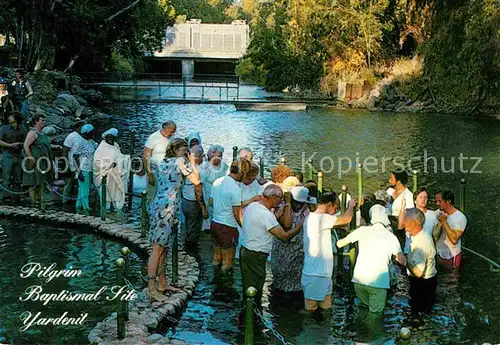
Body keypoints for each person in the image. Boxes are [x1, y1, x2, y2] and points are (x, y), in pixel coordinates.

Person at [147, 138, 201, 301]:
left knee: (163, 248)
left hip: (158, 205)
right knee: (157, 249)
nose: (186, 154)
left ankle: (162, 283)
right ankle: (151, 288)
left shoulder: (164, 161)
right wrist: (192, 162)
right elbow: (196, 180)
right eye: (185, 151)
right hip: (167, 209)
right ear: (177, 150)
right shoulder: (179, 161)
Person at [240, 184, 305, 307]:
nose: (280, 202)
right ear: (273, 197)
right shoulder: (266, 215)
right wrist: (301, 225)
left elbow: (264, 224)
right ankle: (252, 316)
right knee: (255, 289)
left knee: (248, 286)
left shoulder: (253, 206)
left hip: (246, 251)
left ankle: (249, 312)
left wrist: (278, 214)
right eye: (279, 199)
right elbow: (284, 236)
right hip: (256, 255)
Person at [337, 204, 406, 314]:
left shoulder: (362, 230)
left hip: (359, 280)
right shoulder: (391, 237)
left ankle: (359, 330)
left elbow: (340, 243)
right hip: (378, 283)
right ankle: (371, 330)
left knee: (363, 308)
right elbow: (401, 259)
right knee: (375, 314)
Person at [302, 192, 356, 311]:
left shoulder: (312, 217)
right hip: (315, 273)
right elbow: (347, 219)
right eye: (336, 208)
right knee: (311, 309)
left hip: (322, 273)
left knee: (325, 308)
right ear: (329, 205)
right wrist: (350, 206)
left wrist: (337, 226)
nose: (335, 210)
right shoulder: (322, 218)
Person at [210, 159, 251, 273]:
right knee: (227, 262)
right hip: (228, 226)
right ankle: (225, 286)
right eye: (245, 173)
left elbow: (210, 202)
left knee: (216, 258)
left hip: (214, 223)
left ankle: (214, 282)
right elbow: (236, 214)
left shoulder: (217, 182)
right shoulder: (235, 189)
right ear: (241, 173)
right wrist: (245, 228)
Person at [271, 186, 314, 294]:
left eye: (301, 203)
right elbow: (287, 224)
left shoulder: (307, 209)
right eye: (296, 202)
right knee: (281, 284)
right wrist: (288, 203)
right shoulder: (282, 207)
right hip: (282, 252)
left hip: (298, 253)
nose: (298, 205)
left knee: (296, 284)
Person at [403, 208, 437, 314]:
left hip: (423, 284)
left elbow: (418, 272)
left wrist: (404, 262)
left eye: (405, 219)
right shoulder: (419, 236)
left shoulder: (422, 241)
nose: (403, 222)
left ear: (414, 223)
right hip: (423, 283)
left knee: (419, 313)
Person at [22, 113, 61, 203]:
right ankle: (33, 203)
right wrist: (31, 159)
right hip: (35, 161)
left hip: (43, 162)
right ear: (36, 121)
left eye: (44, 120)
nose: (44, 122)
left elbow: (45, 144)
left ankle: (40, 201)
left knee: (42, 182)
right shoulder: (32, 133)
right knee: (33, 182)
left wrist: (55, 146)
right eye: (42, 120)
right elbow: (26, 146)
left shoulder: (42, 133)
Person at [236, 162, 270, 259]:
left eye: (253, 178)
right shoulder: (238, 185)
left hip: (253, 216)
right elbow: (237, 204)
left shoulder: (255, 182)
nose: (252, 181)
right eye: (250, 179)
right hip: (240, 215)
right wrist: (252, 200)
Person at [93, 128, 130, 213]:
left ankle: (117, 211)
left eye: (112, 137)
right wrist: (109, 164)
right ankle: (105, 213)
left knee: (116, 195)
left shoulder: (116, 146)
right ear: (105, 138)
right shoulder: (101, 148)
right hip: (106, 176)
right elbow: (96, 162)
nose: (110, 139)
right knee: (106, 198)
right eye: (108, 137)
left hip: (116, 176)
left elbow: (119, 157)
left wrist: (125, 158)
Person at [181, 145, 207, 247]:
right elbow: (198, 190)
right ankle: (190, 251)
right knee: (194, 228)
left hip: (185, 200)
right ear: (199, 156)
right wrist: (203, 208)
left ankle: (185, 245)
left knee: (188, 225)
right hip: (194, 203)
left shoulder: (185, 166)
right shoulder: (198, 170)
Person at [433, 190, 467, 270]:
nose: (437, 204)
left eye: (440, 201)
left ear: (448, 201)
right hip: (438, 254)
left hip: (452, 257)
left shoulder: (460, 217)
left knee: (452, 280)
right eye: (436, 201)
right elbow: (435, 235)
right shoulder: (437, 213)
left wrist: (444, 222)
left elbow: (454, 240)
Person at [143, 121, 176, 202]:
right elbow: (145, 156)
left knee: (165, 194)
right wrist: (149, 174)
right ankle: (148, 212)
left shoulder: (172, 137)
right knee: (152, 193)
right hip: (154, 169)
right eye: (171, 131)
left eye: (174, 131)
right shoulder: (153, 138)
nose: (173, 133)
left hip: (167, 171)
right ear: (165, 129)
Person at [398, 187, 438, 252]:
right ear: (415, 200)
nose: (423, 199)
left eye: (425, 197)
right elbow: (400, 226)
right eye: (421, 197)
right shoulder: (409, 213)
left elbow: (435, 235)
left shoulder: (432, 214)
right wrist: (403, 207)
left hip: (427, 250)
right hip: (411, 250)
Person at [200, 145, 228, 233]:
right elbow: (201, 182)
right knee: (209, 207)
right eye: (218, 155)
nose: (220, 157)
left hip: (220, 192)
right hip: (208, 191)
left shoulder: (224, 166)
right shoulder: (205, 167)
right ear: (211, 155)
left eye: (221, 155)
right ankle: (207, 227)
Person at [0, 111, 27, 200]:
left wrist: (19, 144)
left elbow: (26, 142)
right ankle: (6, 197)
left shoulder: (23, 129)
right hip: (7, 154)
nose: (9, 118)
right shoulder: (5, 128)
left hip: (18, 155)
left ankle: (17, 196)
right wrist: (10, 145)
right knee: (6, 177)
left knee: (18, 177)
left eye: (11, 116)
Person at [71, 124, 97, 215]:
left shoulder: (91, 141)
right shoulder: (79, 142)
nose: (93, 133)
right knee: (85, 190)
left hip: (90, 169)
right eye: (91, 132)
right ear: (86, 133)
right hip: (83, 169)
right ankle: (86, 209)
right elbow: (75, 158)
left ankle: (78, 207)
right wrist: (79, 172)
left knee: (82, 190)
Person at [386, 169, 415, 251]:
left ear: (398, 181)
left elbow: (409, 216)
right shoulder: (389, 191)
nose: (389, 180)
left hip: (399, 228)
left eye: (391, 178)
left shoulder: (408, 196)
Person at [62, 121, 85, 204]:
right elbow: (65, 151)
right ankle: (64, 201)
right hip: (72, 164)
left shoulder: (85, 136)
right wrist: (66, 165)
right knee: (69, 184)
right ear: (78, 127)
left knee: (79, 184)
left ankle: (78, 201)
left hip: (82, 165)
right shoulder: (72, 136)